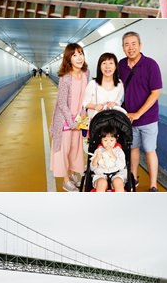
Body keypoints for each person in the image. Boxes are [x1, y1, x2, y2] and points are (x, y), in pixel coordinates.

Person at [118, 31, 162, 192]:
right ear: (123, 48)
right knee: (133, 149)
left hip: (148, 119)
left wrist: (139, 114)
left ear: (140, 45)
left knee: (150, 150)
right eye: (127, 45)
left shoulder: (151, 64)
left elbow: (155, 92)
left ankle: (153, 184)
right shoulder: (120, 65)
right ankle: (133, 178)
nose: (130, 48)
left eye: (133, 44)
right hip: (128, 118)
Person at [49, 43, 90, 192]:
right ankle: (66, 181)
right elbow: (61, 102)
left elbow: (86, 98)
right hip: (65, 120)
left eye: (81, 54)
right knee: (63, 151)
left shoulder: (86, 73)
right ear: (69, 59)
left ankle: (71, 174)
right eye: (74, 55)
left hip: (80, 119)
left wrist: (83, 120)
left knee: (75, 149)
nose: (79, 58)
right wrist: (72, 122)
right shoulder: (65, 77)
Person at [83, 52, 124, 124]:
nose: (107, 66)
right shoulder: (93, 83)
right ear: (100, 66)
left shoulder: (119, 83)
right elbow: (84, 102)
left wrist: (114, 104)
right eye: (104, 63)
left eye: (111, 63)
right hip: (95, 124)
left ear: (115, 66)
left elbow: (119, 101)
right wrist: (95, 106)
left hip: (113, 124)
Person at [89, 125, 127, 192]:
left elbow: (122, 166)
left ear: (116, 141)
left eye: (111, 140)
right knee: (101, 183)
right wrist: (96, 159)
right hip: (101, 175)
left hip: (117, 174)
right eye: (105, 140)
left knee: (118, 182)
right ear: (101, 140)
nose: (108, 143)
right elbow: (92, 168)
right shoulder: (98, 151)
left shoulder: (118, 151)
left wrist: (113, 156)